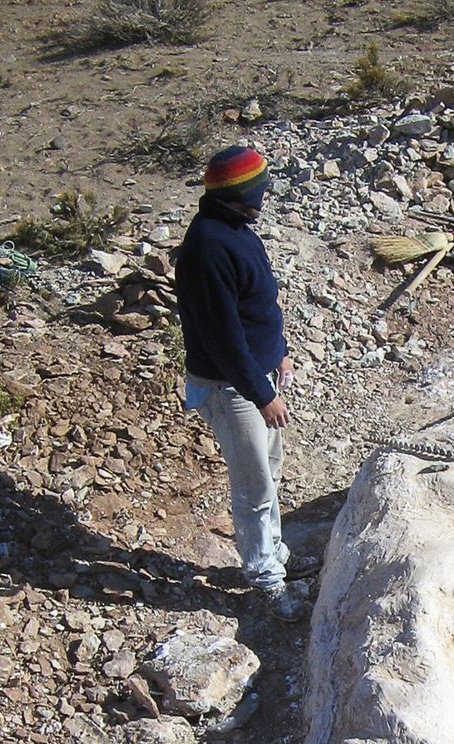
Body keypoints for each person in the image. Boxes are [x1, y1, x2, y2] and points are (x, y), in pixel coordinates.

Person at [174, 145, 313, 620]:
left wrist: (281, 353)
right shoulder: (208, 248)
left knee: (270, 470)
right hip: (229, 387)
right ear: (240, 194)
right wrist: (263, 394)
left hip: (255, 376)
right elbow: (224, 339)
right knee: (254, 484)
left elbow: (260, 307)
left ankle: (276, 555)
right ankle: (264, 580)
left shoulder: (237, 229)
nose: (266, 196)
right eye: (261, 189)